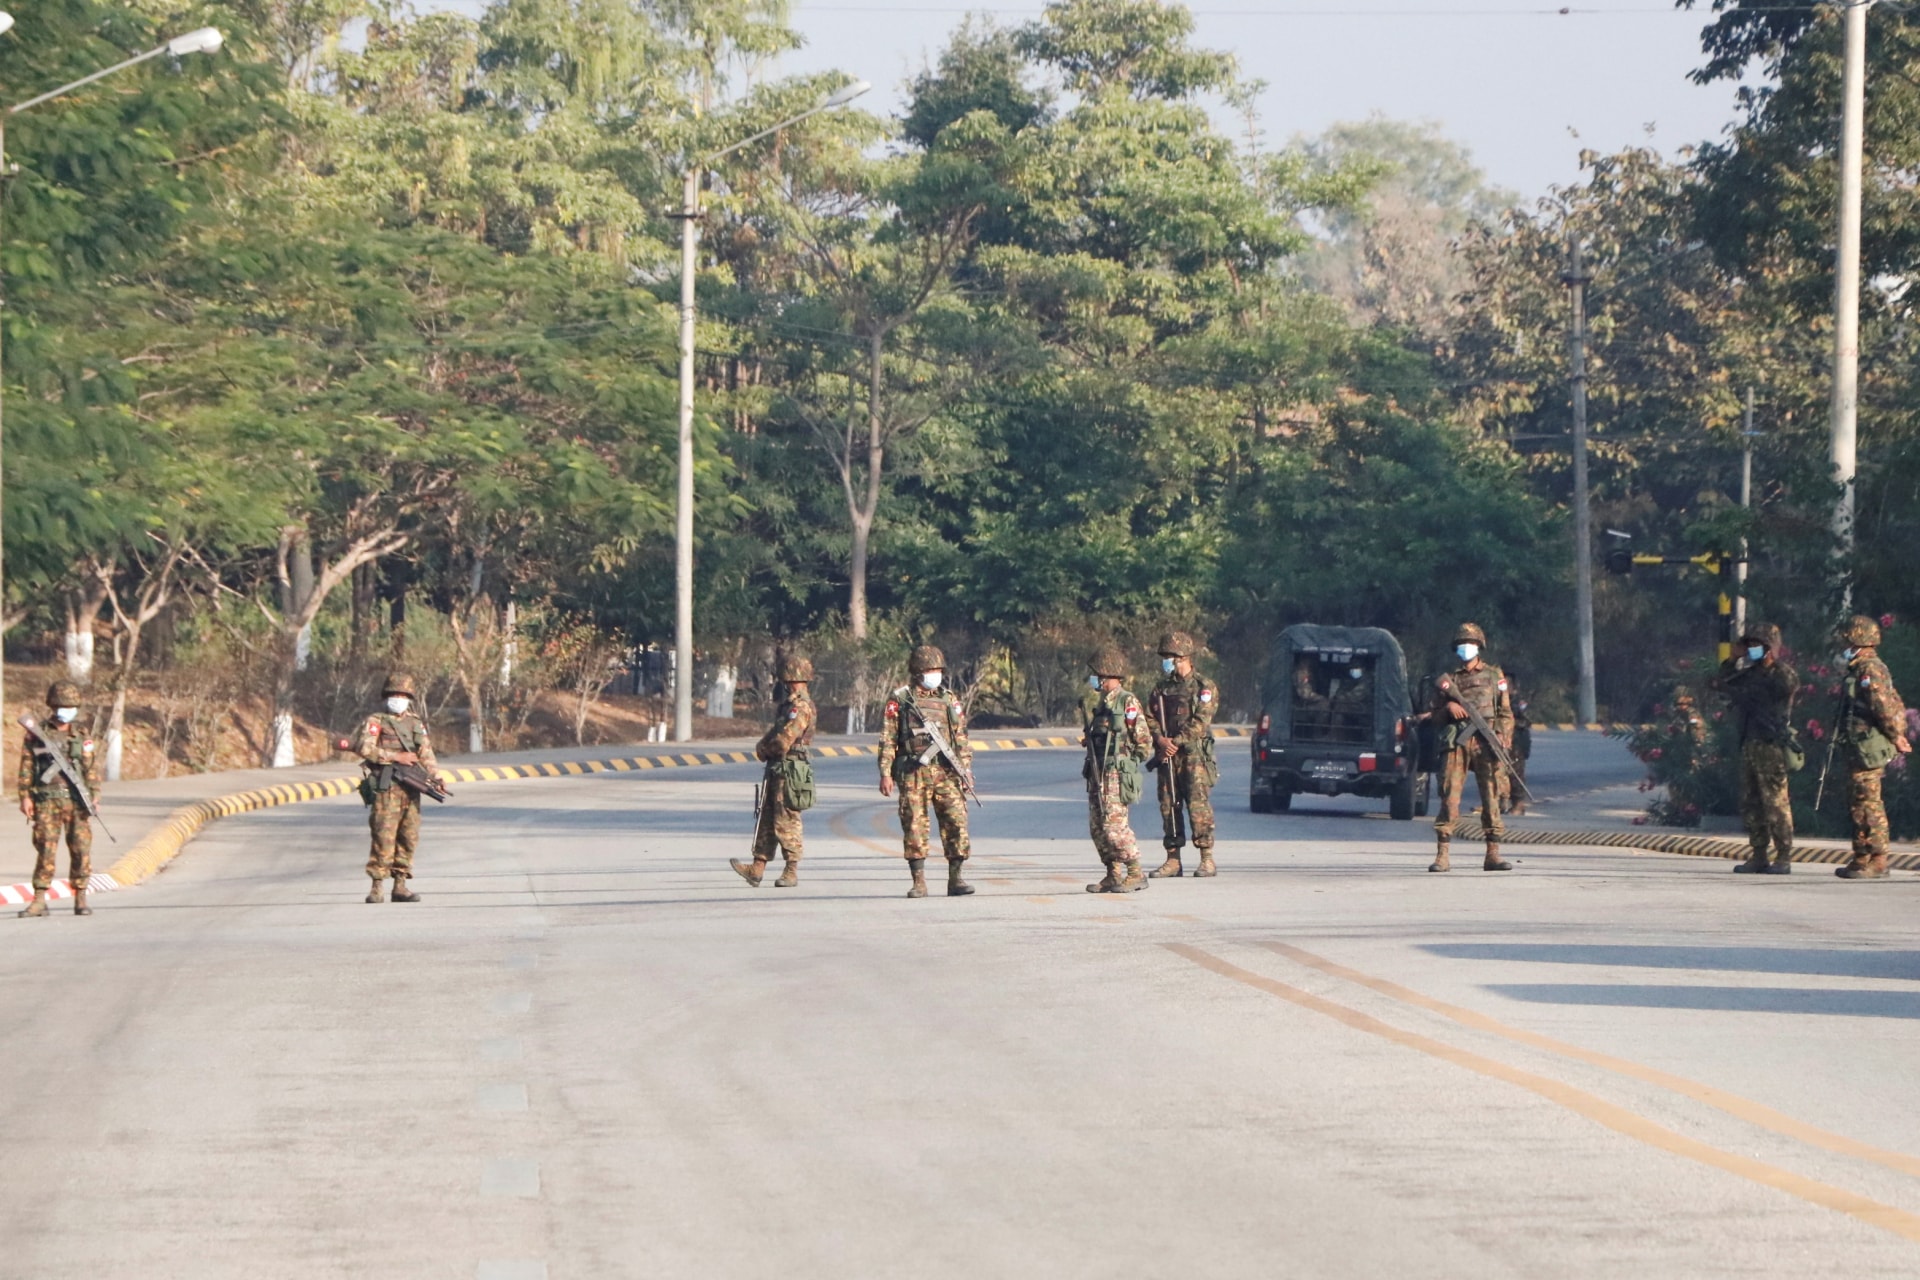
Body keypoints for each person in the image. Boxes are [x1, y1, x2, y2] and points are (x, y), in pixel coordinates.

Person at [878, 645, 975, 899]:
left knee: (956, 822)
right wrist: (886, 772)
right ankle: (918, 881)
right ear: (918, 672)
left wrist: (965, 770)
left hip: (947, 771)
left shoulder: (948, 699)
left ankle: (956, 878)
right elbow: (888, 739)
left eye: (938, 670)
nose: (936, 674)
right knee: (914, 825)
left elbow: (961, 737)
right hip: (914, 771)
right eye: (931, 670)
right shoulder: (900, 699)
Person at [1709, 624, 1798, 874]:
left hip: (1770, 744)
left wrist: (1768, 665)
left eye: (1755, 645)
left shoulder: (1781, 673)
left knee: (1775, 802)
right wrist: (1732, 658)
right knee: (1751, 802)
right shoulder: (1750, 673)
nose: (1751, 650)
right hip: (1750, 741)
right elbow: (1722, 681)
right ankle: (1759, 854)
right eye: (1748, 646)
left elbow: (1777, 690)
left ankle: (1783, 856)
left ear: (1769, 648)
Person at [1426, 622, 1515, 873]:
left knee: (1492, 794)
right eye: (1463, 644)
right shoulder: (1450, 680)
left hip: (1487, 741)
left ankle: (1492, 854)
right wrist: (1448, 709)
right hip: (1458, 740)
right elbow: (1434, 716)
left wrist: (1502, 735)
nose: (1467, 648)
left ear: (1480, 647)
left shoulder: (1494, 676)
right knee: (1450, 794)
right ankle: (1442, 855)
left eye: (1472, 644)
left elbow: (1505, 712)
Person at [353, 672, 448, 903]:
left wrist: (436, 777)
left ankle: (400, 885)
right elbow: (364, 749)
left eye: (403, 695)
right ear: (387, 696)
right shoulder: (376, 721)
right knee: (383, 835)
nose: (399, 698)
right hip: (387, 786)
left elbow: (426, 753)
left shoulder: (415, 723)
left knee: (408, 835)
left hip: (411, 787)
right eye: (394, 694)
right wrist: (396, 757)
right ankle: (377, 887)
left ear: (409, 697)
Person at [1833, 615, 1913, 880]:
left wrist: (1896, 735)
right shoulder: (1858, 668)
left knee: (1869, 802)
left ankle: (1877, 859)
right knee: (1858, 801)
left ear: (1857, 638)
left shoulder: (1870, 669)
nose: (1843, 643)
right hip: (1857, 745)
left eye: (1847, 639)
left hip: (1869, 745)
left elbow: (1882, 706)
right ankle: (1861, 856)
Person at [16, 680, 102, 918]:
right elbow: (26, 766)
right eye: (63, 705)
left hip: (76, 802)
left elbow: (90, 768)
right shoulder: (36, 733)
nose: (68, 710)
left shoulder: (81, 735)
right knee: (45, 849)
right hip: (46, 800)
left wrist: (94, 796)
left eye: (71, 706)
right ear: (53, 706)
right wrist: (25, 797)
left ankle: (81, 897)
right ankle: (39, 899)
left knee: (81, 849)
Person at [731, 654, 818, 888]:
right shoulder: (788, 704)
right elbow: (776, 732)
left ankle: (791, 870)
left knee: (787, 819)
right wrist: (763, 744)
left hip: (790, 769)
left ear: (791, 678)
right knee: (767, 818)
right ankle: (757, 867)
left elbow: (784, 740)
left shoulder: (800, 706)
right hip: (778, 767)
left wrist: (766, 749)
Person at [1145, 630, 1221, 878]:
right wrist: (1159, 739)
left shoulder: (1203, 687)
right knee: (1169, 805)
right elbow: (1150, 716)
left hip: (1193, 756)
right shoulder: (1161, 688)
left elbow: (1201, 721)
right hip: (1169, 757)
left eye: (1169, 656)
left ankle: (1206, 858)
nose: (1165, 661)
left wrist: (1174, 742)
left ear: (1182, 657)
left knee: (1198, 806)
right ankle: (1173, 859)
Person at [1083, 647, 1153, 894]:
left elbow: (1144, 742)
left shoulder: (1127, 701)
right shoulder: (1102, 705)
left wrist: (1126, 763)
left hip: (1115, 774)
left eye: (1096, 675)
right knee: (1098, 826)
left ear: (1106, 675)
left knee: (1114, 826)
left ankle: (1135, 872)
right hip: (1097, 772)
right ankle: (1113, 874)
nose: (1094, 680)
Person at [1501, 674, 1534, 816]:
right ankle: (1501, 803)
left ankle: (1518, 805)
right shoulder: (1496, 701)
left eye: (1506, 684)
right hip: (1500, 742)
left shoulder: (1519, 702)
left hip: (1516, 744)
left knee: (1516, 774)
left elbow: (1526, 720)